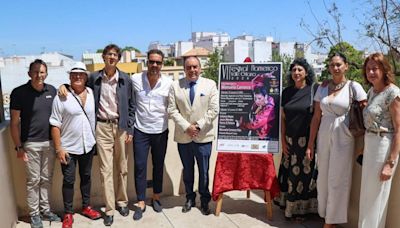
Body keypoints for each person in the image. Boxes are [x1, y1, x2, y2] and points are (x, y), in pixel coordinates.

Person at [59, 44, 134, 226]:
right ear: (104, 57)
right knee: (105, 170)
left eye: (115, 55)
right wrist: (63, 86)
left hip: (121, 127)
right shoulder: (94, 78)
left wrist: (130, 129)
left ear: (118, 58)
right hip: (101, 127)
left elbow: (132, 106)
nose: (112, 57)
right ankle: (109, 209)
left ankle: (122, 202)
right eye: (109, 54)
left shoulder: (126, 79)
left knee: (122, 168)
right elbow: (78, 87)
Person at [306, 52, 367, 228]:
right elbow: (316, 117)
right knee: (323, 177)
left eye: (339, 64)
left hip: (343, 134)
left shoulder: (353, 86)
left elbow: (366, 110)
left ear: (346, 66)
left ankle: (331, 221)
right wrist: (310, 143)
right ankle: (325, 214)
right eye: (332, 65)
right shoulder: (323, 87)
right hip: (324, 132)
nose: (335, 68)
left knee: (338, 178)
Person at [10, 59, 61, 228]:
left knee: (46, 179)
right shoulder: (19, 93)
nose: (39, 75)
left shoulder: (52, 90)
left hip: (50, 143)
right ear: (29, 73)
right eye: (36, 72)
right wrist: (18, 147)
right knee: (33, 181)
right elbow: (14, 123)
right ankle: (34, 215)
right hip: (30, 144)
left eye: (42, 72)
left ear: (46, 73)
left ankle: (46, 210)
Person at [50, 62, 101, 228]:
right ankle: (68, 213)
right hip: (68, 148)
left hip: (88, 145)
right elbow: (55, 124)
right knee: (69, 181)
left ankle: (86, 206)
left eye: (81, 74)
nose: (77, 77)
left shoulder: (92, 93)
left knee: (86, 177)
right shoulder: (61, 96)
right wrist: (58, 148)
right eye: (74, 75)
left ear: (86, 77)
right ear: (69, 77)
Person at [168, 56, 219, 215]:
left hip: (203, 136)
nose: (192, 70)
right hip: (184, 137)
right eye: (189, 67)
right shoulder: (175, 86)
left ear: (200, 68)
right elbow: (172, 110)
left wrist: (198, 126)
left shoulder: (210, 84)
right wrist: (186, 127)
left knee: (204, 172)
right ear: (184, 69)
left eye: (195, 67)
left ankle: (204, 201)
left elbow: (214, 109)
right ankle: (189, 198)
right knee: (188, 170)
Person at [358, 53, 400, 228]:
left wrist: (390, 163)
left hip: (383, 146)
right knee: (367, 195)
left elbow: (399, 129)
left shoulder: (393, 93)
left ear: (384, 70)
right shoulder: (372, 91)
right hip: (371, 145)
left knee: (376, 196)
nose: (371, 72)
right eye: (368, 69)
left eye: (375, 68)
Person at [131, 49, 173, 220]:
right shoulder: (135, 79)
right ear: (146, 62)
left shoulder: (169, 83)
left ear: (162, 64)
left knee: (158, 165)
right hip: (140, 131)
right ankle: (141, 201)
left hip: (160, 131)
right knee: (140, 166)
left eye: (158, 62)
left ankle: (156, 196)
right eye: (152, 62)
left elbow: (178, 103)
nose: (154, 65)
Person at [274, 58, 318, 220]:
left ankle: (303, 211)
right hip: (290, 141)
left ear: (307, 72)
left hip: (306, 141)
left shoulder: (315, 90)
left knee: (305, 177)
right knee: (290, 176)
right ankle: (289, 208)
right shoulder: (286, 92)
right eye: (294, 70)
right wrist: (283, 141)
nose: (296, 73)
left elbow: (316, 118)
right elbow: (283, 119)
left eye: (300, 70)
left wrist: (311, 144)